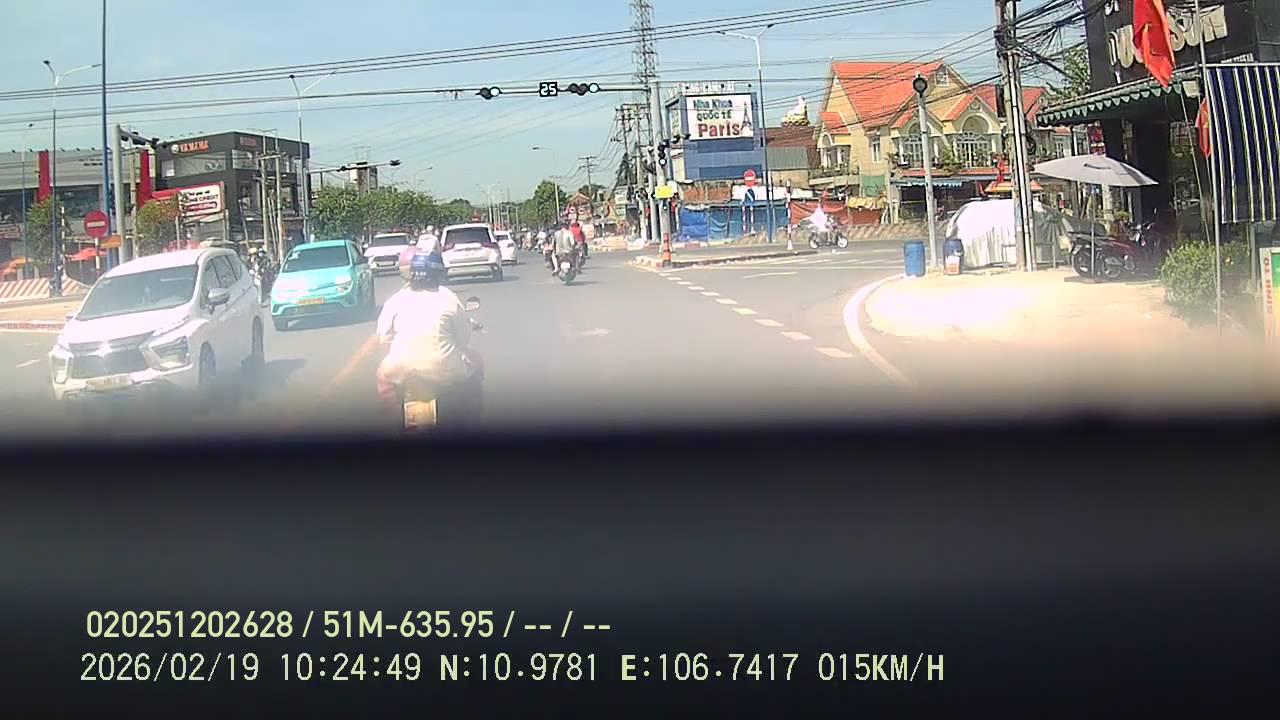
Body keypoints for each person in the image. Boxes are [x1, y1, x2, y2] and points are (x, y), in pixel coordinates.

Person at [375, 250, 482, 423]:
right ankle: (472, 419)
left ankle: (392, 419)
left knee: (383, 374)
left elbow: (383, 337)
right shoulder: (449, 299)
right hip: (445, 372)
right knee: (476, 361)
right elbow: (463, 338)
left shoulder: (395, 301)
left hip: (401, 371)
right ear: (439, 273)